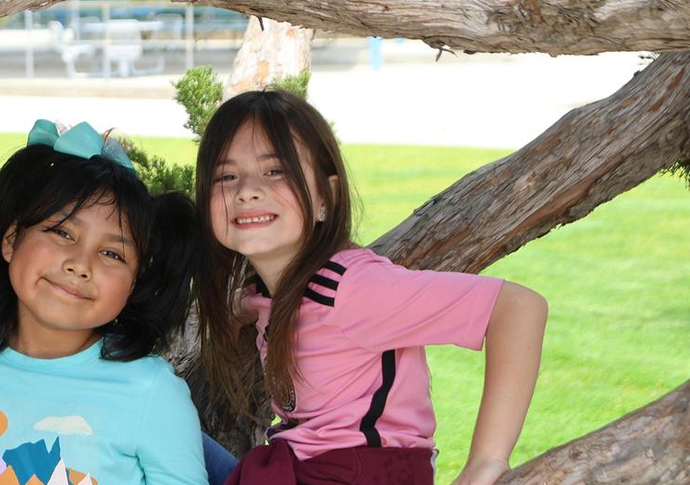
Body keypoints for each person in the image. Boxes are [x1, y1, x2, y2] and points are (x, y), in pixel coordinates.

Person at [192, 89, 549, 485]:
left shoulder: (352, 288)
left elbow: (517, 307)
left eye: (275, 171)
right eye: (226, 176)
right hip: (294, 468)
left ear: (326, 197)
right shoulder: (272, 293)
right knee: (148, 425)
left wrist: (487, 459)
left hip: (359, 474)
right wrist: (242, 308)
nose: (246, 190)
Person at [0, 121, 208, 485]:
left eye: (111, 253)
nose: (80, 264)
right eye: (62, 232)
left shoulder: (152, 391)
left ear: (135, 282)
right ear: (11, 239)